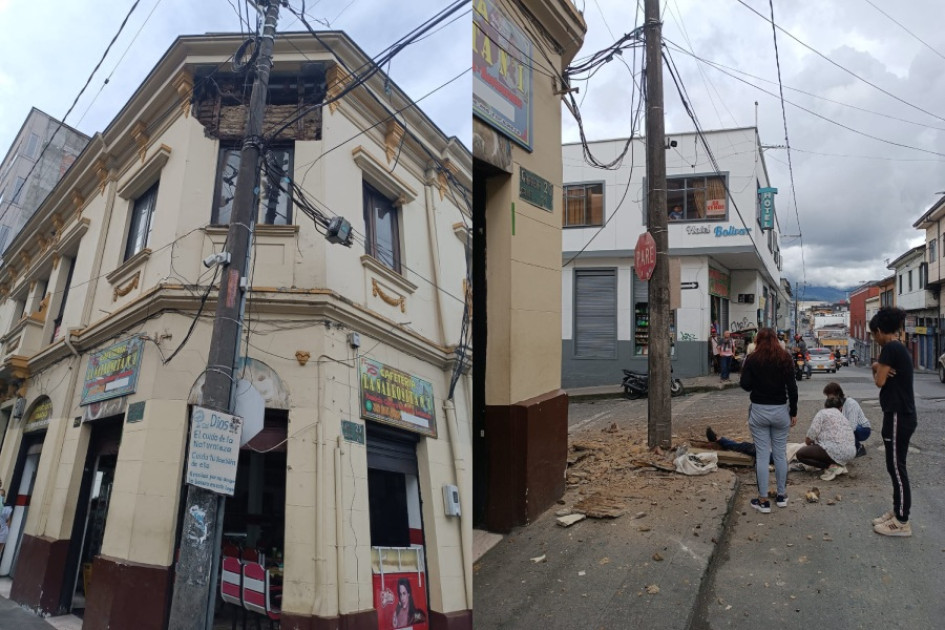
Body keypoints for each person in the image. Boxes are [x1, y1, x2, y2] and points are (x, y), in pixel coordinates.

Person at [739, 327, 798, 513]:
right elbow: (793, 388)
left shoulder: (752, 359)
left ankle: (763, 500)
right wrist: (793, 412)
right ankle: (781, 496)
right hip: (781, 411)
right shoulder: (785, 358)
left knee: (763, 455)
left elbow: (745, 385)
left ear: (757, 340)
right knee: (780, 454)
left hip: (759, 411)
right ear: (776, 340)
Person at [869, 306, 916, 537]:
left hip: (898, 415)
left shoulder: (889, 349)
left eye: (873, 335)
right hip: (899, 414)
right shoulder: (898, 347)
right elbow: (880, 374)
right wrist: (878, 367)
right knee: (894, 465)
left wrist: (877, 366)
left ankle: (902, 521)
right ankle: (897, 511)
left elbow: (878, 381)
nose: (874, 339)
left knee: (897, 467)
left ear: (879, 331)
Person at [796, 396, 856, 481]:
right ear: (841, 408)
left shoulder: (823, 413)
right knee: (824, 449)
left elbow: (812, 433)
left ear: (825, 406)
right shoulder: (843, 417)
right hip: (850, 452)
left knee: (800, 454)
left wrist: (808, 443)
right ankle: (839, 464)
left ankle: (831, 467)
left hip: (833, 449)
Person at [823, 382, 871, 456]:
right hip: (850, 428)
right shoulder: (836, 404)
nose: (828, 399)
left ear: (838, 395)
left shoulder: (851, 404)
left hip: (863, 430)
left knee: (844, 429)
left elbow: (852, 427)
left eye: (830, 397)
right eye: (827, 397)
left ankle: (859, 448)